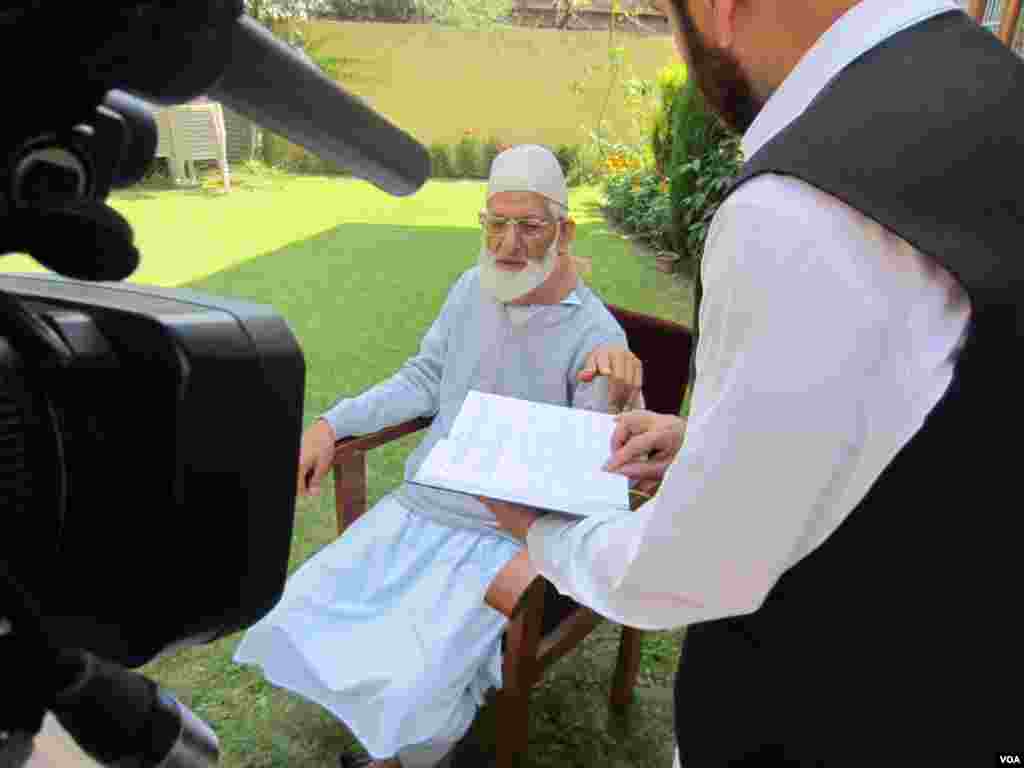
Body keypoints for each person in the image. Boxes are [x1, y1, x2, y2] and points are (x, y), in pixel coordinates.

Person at [480, 1, 1022, 765]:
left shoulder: (802, 207)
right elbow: (931, 413)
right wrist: (704, 442)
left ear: (714, 10)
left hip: (824, 717)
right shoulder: (999, 90)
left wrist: (543, 533)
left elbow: (697, 567)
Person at [232, 144, 644, 768]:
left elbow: (591, 466)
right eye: (495, 223)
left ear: (565, 230)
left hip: (504, 534)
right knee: (307, 607)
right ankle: (395, 741)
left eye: (529, 226)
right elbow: (422, 380)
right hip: (423, 505)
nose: (508, 244)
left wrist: (619, 398)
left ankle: (394, 761)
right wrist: (330, 423)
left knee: (419, 673)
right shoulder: (469, 291)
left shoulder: (595, 335)